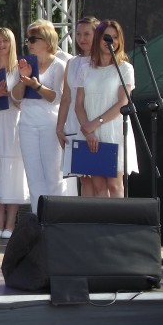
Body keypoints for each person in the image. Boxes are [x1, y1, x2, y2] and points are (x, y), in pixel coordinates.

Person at [74, 19, 138, 197]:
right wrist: (88, 131)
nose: (111, 41)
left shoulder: (125, 68)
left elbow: (122, 102)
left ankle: (118, 216)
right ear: (98, 38)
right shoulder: (85, 69)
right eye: (106, 37)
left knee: (114, 184)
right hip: (90, 132)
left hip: (113, 130)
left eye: (115, 37)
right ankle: (101, 216)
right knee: (98, 185)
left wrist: (95, 123)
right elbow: (78, 104)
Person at [11, 19, 67, 213]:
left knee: (53, 176)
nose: (30, 43)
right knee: (33, 176)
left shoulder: (59, 65)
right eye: (28, 39)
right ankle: (37, 218)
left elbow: (56, 97)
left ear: (47, 40)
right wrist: (23, 80)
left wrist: (36, 85)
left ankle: (56, 218)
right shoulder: (24, 64)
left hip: (50, 123)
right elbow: (15, 97)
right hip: (27, 122)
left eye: (34, 39)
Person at [0, 27, 29, 238]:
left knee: (12, 171)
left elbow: (22, 103)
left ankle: (10, 225)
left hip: (12, 123)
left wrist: (11, 93)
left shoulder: (20, 68)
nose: (1, 45)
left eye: (5, 41)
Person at [56, 16, 99, 197]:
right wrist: (59, 127)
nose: (82, 38)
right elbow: (66, 97)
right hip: (75, 123)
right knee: (84, 177)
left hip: (96, 121)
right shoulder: (72, 63)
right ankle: (88, 213)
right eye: (78, 34)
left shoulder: (104, 62)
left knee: (100, 176)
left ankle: (105, 213)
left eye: (87, 34)